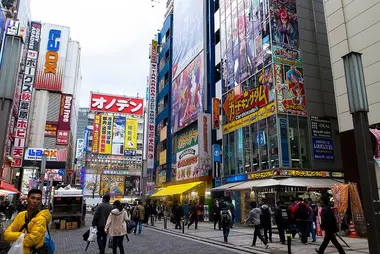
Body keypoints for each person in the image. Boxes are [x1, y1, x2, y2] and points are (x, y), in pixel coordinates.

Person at [3, 189, 51, 254]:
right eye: (32, 198)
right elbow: (6, 236)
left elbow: (30, 241)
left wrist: (14, 235)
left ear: (40, 201)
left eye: (38, 199)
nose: (35, 201)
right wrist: (22, 235)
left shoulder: (41, 219)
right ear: (27, 198)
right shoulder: (21, 215)